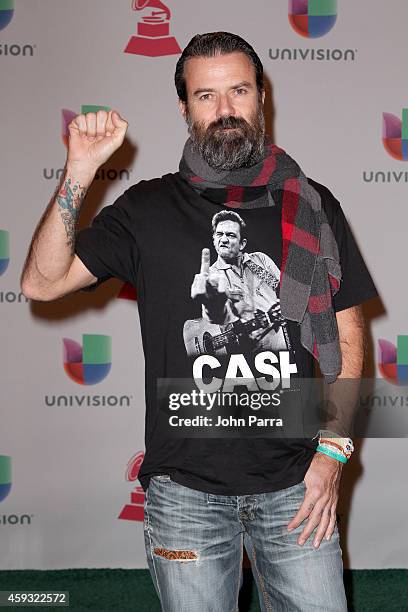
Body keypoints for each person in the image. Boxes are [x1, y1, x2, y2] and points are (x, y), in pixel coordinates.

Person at [22, 31, 378, 612]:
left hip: (296, 481)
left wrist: (333, 455)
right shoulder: (147, 210)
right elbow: (41, 282)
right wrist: (80, 171)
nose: (224, 110)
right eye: (206, 96)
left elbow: (345, 333)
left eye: (238, 90)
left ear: (261, 97)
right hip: (185, 492)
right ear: (185, 108)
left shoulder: (311, 208)